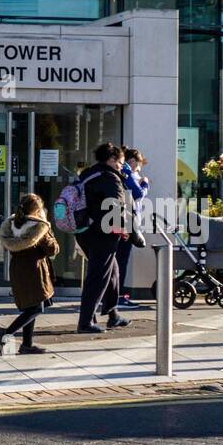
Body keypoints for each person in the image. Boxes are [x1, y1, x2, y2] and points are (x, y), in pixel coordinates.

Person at [75, 143, 132, 334]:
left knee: (112, 272)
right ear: (112, 159)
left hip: (85, 230)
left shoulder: (89, 173)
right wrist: (122, 229)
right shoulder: (110, 178)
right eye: (121, 162)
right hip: (102, 234)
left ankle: (113, 315)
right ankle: (85, 323)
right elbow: (116, 207)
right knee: (98, 277)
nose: (122, 166)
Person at [0, 193, 59, 356]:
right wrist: (48, 227)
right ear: (38, 210)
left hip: (18, 269)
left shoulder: (13, 224)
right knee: (37, 308)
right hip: (34, 271)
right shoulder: (38, 227)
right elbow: (52, 250)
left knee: (31, 305)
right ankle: (7, 333)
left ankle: (27, 344)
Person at [116, 148, 149, 309]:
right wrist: (145, 184)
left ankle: (113, 295)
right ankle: (119, 296)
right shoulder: (127, 173)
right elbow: (138, 193)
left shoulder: (119, 172)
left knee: (116, 261)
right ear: (133, 161)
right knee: (121, 260)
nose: (139, 169)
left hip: (115, 220)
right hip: (126, 223)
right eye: (139, 164)